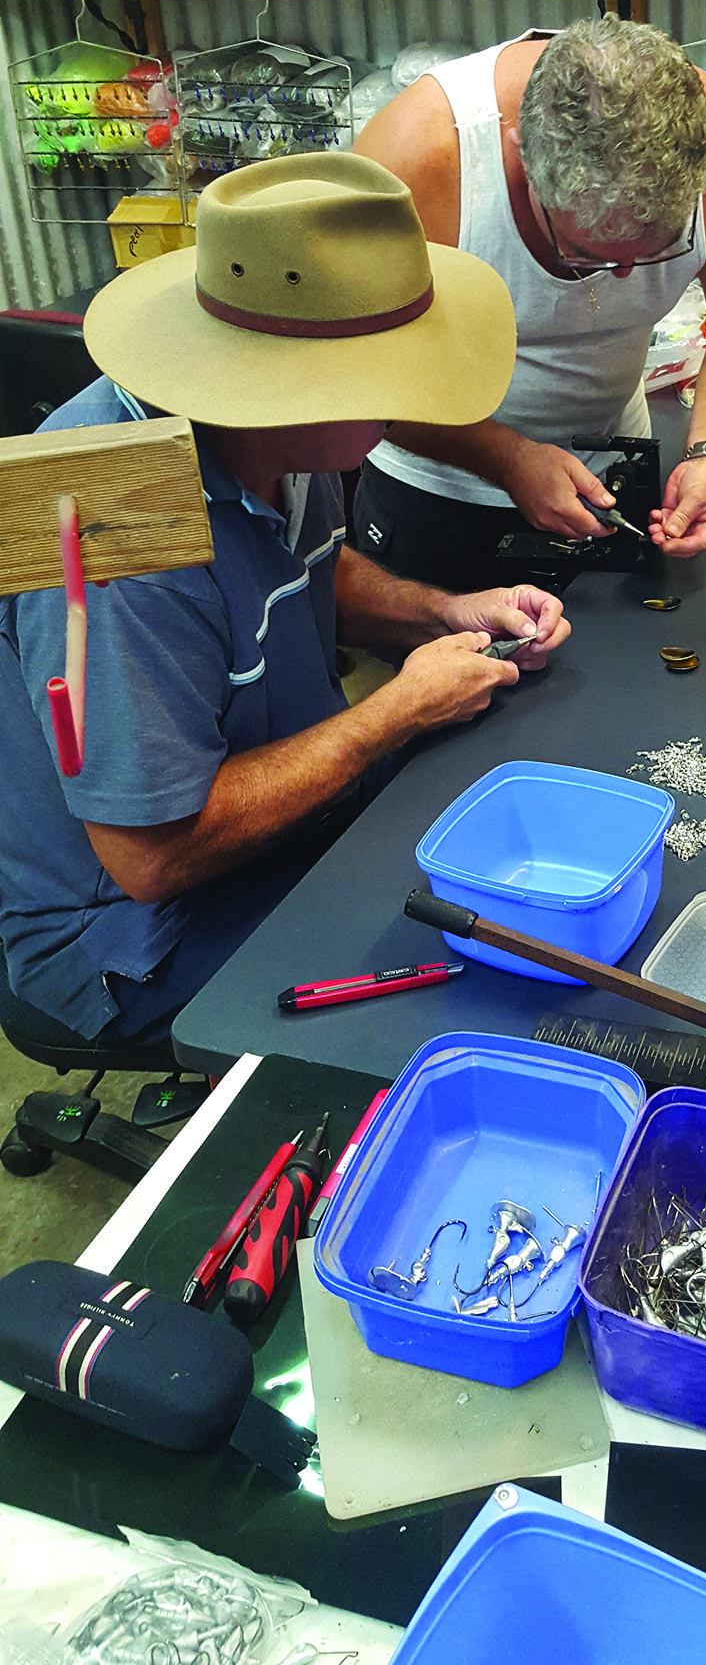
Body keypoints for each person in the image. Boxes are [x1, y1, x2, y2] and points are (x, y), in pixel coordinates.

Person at [0, 153, 569, 1042]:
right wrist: (396, 712)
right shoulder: (115, 528)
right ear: (285, 380)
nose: (410, 401)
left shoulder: (279, 435)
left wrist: (442, 612)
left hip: (293, 817)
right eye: (389, 374)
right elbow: (152, 857)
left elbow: (300, 569)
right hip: (136, 936)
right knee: (498, 1001)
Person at [352, 16, 706, 592]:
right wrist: (506, 460)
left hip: (612, 483)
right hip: (439, 493)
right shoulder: (417, 160)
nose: (626, 277)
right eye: (589, 255)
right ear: (523, 158)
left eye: (660, 249)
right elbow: (361, 378)